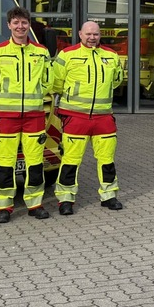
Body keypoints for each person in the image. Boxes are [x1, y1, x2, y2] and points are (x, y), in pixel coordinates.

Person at [0, 6, 53, 224]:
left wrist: (35, 95)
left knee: (34, 163)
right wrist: (5, 98)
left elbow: (48, 80)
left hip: (34, 115)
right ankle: (3, 207)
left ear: (29, 25)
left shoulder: (41, 51)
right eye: (16, 23)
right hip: (6, 116)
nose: (20, 26)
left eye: (24, 23)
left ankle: (35, 204)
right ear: (9, 25)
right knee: (6, 163)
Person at [50, 20, 125, 214]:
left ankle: (109, 196)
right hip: (75, 118)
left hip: (103, 118)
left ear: (100, 35)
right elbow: (55, 83)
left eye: (96, 34)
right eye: (88, 34)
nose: (92, 38)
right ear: (80, 34)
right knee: (71, 161)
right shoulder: (66, 55)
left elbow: (116, 81)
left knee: (107, 160)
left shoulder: (111, 55)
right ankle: (66, 199)